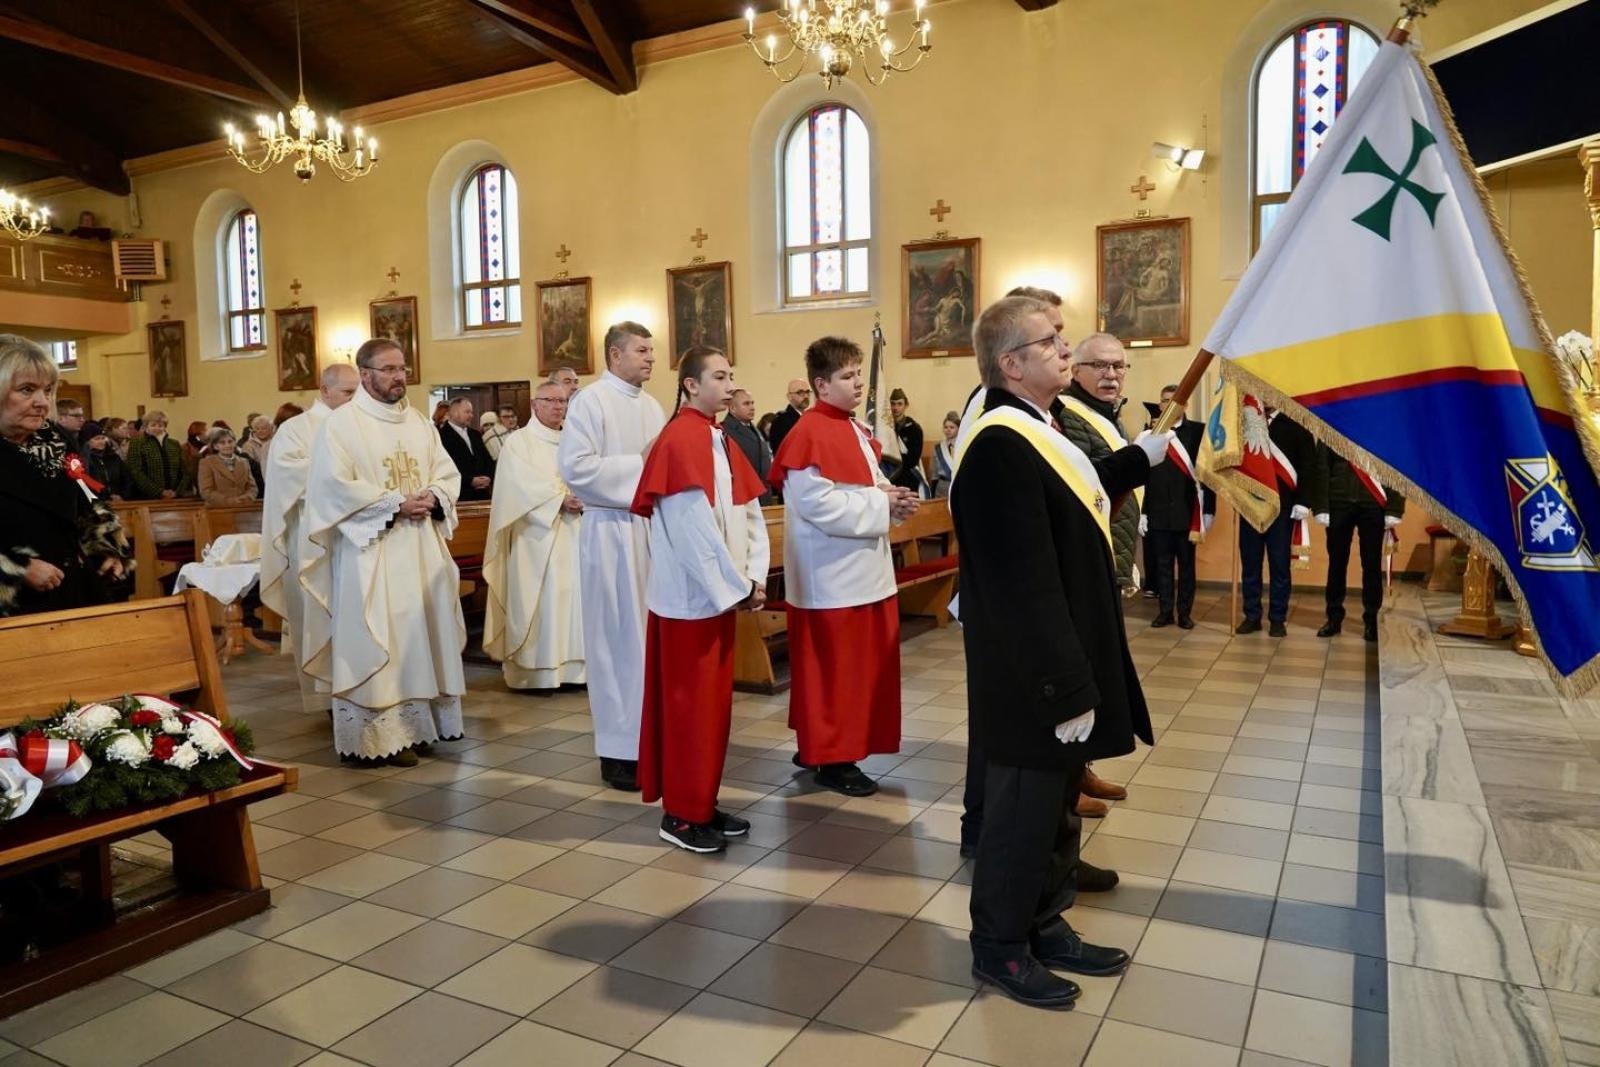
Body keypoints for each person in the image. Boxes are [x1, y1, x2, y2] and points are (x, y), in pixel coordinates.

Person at [953, 296, 1165, 1009]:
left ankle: (1045, 922)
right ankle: (1001, 946)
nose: (1065, 349)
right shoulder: (996, 445)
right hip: (1033, 675)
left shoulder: (1042, 428)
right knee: (1020, 814)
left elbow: (1078, 500)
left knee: (1056, 811)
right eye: (1050, 341)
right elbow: (1021, 582)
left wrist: (1140, 460)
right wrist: (1063, 684)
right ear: (1011, 364)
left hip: (1065, 659)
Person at [301, 338, 467, 768]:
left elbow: (446, 472)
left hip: (420, 547)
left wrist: (433, 496)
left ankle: (420, 724)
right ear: (366, 374)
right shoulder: (342, 425)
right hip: (371, 551)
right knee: (381, 637)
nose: (399, 376)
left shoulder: (417, 422)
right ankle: (378, 737)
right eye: (389, 369)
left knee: (421, 635)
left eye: (402, 368)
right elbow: (331, 487)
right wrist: (394, 504)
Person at [631, 347, 770, 852]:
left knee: (713, 710)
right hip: (691, 601)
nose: (729, 384)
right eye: (718, 376)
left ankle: (702, 799)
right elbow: (692, 530)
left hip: (722, 595)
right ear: (690, 385)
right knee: (691, 709)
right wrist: (734, 587)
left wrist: (753, 577)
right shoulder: (681, 439)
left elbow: (750, 512)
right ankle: (682, 814)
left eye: (732, 374)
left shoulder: (719, 437)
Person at [770, 337, 918, 797]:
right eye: (848, 377)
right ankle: (833, 759)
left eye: (859, 374)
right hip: (829, 577)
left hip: (861, 571)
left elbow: (868, 483)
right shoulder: (808, 433)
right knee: (835, 672)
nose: (858, 384)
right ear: (821, 384)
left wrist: (893, 502)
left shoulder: (851, 428)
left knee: (856, 672)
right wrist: (880, 503)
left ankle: (824, 744)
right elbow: (818, 503)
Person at [558, 322, 666, 791]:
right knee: (615, 640)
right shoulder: (591, 401)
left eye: (651, 350)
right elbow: (576, 470)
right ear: (614, 354)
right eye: (641, 350)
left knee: (646, 641)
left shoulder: (653, 405)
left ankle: (649, 738)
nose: (650, 358)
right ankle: (618, 750)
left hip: (648, 531)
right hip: (609, 534)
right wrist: (641, 466)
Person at [0, 336, 130, 617]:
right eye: (26, 390)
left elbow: (86, 495)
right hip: (12, 605)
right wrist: (17, 568)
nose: (41, 402)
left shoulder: (57, 439)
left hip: (71, 589)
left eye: (48, 390)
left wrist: (105, 546)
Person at [261, 363, 360, 716]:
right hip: (312, 541)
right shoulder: (296, 430)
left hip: (357, 539)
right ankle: (328, 698)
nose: (354, 399)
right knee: (320, 617)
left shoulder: (360, 427)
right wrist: (346, 479)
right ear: (324, 390)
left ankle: (360, 691)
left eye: (357, 391)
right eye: (348, 392)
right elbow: (289, 478)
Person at [483, 382, 586, 691]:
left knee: (574, 599)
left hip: (576, 531)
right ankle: (536, 673)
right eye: (551, 400)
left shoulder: (576, 439)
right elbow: (516, 486)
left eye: (563, 401)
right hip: (535, 537)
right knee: (544, 598)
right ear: (534, 404)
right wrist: (559, 499)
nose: (559, 406)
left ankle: (576, 669)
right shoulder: (519, 443)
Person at [1058, 333, 1141, 590]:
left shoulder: (1109, 416)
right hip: (1087, 554)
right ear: (1075, 371)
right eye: (1099, 365)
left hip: (1112, 544)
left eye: (1118, 366)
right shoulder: (1066, 414)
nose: (1111, 374)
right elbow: (1079, 486)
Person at [1237, 406, 1318, 637]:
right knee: (1250, 564)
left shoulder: (1296, 425)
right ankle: (1252, 616)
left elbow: (1308, 467)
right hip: (1250, 505)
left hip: (1283, 509)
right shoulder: (1244, 423)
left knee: (1279, 566)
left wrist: (1304, 501)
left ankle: (1277, 618)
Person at [1312, 446, 1405, 642]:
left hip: (1372, 502)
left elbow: (1396, 463)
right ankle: (1333, 618)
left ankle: (1372, 621)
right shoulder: (1332, 419)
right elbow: (1321, 465)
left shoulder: (1383, 425)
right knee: (1336, 564)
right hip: (1338, 500)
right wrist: (1321, 505)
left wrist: (1394, 508)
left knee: (1371, 565)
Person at [1141, 385, 1215, 629]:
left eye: (1175, 401)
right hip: (1158, 512)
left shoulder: (1198, 432)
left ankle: (1184, 613)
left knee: (1186, 567)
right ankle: (1165, 612)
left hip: (1188, 513)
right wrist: (1142, 511)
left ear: (1183, 405)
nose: (1168, 405)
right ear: (1160, 404)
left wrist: (1209, 510)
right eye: (1164, 401)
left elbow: (1208, 474)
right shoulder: (1150, 434)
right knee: (1161, 565)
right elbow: (1142, 476)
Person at [721, 388, 775, 504]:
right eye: (746, 404)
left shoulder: (753, 428)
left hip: (764, 494)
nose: (752, 407)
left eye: (752, 403)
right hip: (745, 497)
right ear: (732, 408)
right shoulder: (726, 431)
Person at [438, 396, 495, 501]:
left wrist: (488, 478)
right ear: (454, 412)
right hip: (461, 495)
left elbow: (488, 460)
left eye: (471, 412)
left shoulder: (475, 435)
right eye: (467, 412)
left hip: (483, 495)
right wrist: (470, 481)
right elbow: (444, 467)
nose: (471, 416)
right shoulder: (441, 436)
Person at [125, 409, 189, 499]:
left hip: (174, 495)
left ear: (165, 427)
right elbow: (135, 471)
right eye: (153, 425)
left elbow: (184, 471)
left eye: (160, 425)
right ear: (146, 426)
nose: (157, 428)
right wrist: (158, 492)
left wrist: (177, 492)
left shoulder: (174, 444)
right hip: (148, 496)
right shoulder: (137, 443)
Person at [196, 427, 258, 506]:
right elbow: (206, 491)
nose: (227, 445)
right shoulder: (207, 463)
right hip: (218, 509)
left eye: (230, 441)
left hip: (242, 506)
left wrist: (246, 498)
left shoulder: (244, 461)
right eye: (222, 442)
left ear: (235, 443)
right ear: (215, 446)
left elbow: (252, 487)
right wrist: (229, 501)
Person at [886, 388, 926, 494]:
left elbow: (913, 459)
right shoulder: (885, 428)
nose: (895, 408)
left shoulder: (914, 429)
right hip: (889, 479)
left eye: (899, 404)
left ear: (906, 405)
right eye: (893, 404)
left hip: (908, 479)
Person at [81, 421, 127, 500]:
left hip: (118, 501)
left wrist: (122, 495)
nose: (101, 442)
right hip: (96, 502)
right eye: (97, 439)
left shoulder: (114, 458)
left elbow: (126, 478)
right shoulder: (84, 460)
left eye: (103, 438)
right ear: (87, 441)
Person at [766, 378, 811, 455]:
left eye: (807, 392)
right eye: (800, 392)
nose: (806, 396)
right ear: (789, 396)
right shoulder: (781, 421)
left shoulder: (810, 417)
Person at [930, 411, 959, 498]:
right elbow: (934, 473)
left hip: (957, 484)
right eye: (946, 427)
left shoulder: (962, 445)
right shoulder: (938, 447)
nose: (948, 430)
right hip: (942, 486)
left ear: (958, 428)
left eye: (952, 427)